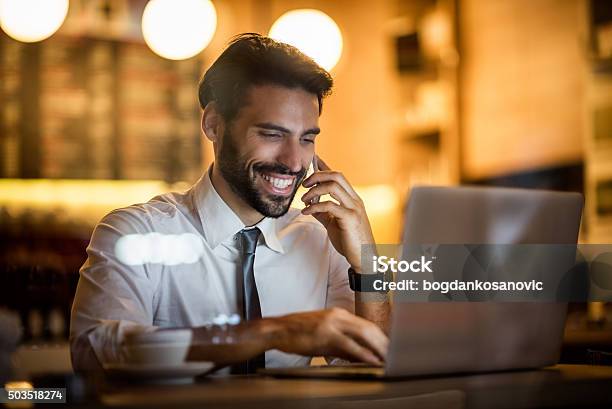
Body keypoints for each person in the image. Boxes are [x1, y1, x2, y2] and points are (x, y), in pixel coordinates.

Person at [70, 33, 390, 372]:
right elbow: (94, 352)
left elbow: (371, 367)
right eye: (272, 134)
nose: (294, 161)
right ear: (213, 124)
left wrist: (368, 265)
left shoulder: (321, 241)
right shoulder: (135, 232)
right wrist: (272, 332)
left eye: (307, 138)